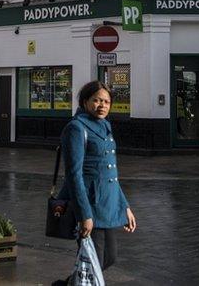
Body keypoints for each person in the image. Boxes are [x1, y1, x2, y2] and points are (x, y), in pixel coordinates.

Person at [56, 80, 137, 280]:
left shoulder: (104, 126)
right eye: (97, 100)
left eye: (106, 102)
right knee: (93, 261)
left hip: (108, 204)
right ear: (85, 101)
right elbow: (74, 175)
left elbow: (110, 173)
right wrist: (85, 215)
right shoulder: (76, 128)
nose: (102, 106)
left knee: (109, 258)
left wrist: (124, 206)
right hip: (90, 204)